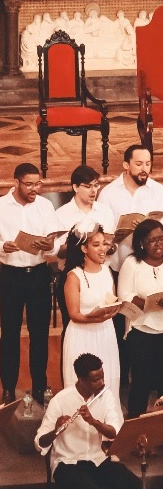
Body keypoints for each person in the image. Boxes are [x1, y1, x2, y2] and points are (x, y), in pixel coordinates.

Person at [35, 353, 140, 489]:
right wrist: (57, 430)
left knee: (133, 486)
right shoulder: (60, 400)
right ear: (81, 380)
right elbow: (40, 443)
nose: (101, 383)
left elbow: (114, 432)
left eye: (102, 376)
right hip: (67, 464)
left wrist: (94, 422)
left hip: (98, 459)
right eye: (95, 379)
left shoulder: (106, 396)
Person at [117, 219, 163, 417]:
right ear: (141, 243)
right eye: (152, 241)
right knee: (141, 383)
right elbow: (124, 295)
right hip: (142, 330)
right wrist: (147, 304)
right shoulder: (132, 263)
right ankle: (135, 431)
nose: (158, 244)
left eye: (161, 239)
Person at [0, 162, 59, 404]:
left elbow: (54, 241)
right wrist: (2, 247)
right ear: (16, 183)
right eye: (30, 184)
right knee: (10, 333)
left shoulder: (45, 206)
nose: (35, 189)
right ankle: (8, 388)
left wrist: (49, 245)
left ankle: (39, 386)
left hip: (37, 275)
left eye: (38, 183)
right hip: (9, 275)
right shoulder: (1, 206)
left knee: (39, 334)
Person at [62, 223, 121, 400]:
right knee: (82, 388)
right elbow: (73, 314)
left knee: (108, 380)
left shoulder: (107, 271)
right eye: (96, 245)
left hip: (105, 333)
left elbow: (112, 301)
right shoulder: (74, 276)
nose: (103, 249)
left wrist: (115, 310)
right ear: (83, 248)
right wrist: (92, 318)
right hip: (82, 335)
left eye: (104, 243)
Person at [98, 144, 163, 276]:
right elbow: (101, 232)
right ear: (126, 165)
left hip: (150, 263)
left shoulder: (159, 191)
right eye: (139, 164)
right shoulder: (108, 193)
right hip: (118, 265)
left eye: (148, 164)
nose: (144, 169)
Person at [55, 165, 116, 255]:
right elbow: (59, 252)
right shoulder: (61, 214)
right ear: (76, 187)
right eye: (88, 186)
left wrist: (110, 246)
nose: (93, 190)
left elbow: (113, 245)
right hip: (73, 267)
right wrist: (78, 242)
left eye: (96, 186)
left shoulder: (105, 211)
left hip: (102, 266)